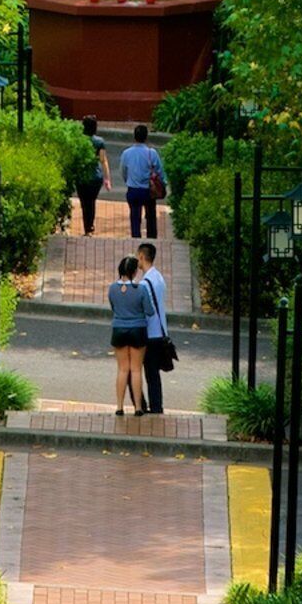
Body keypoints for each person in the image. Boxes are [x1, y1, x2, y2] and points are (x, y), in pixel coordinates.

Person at [107, 255, 159, 416]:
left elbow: (113, 307)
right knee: (136, 370)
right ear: (135, 271)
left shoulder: (112, 288)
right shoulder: (140, 289)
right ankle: (138, 407)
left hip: (119, 329)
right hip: (138, 330)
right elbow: (150, 311)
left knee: (122, 369)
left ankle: (119, 406)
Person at [137, 241, 174, 416]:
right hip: (161, 333)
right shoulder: (158, 277)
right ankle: (157, 406)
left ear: (142, 257)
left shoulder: (144, 284)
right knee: (154, 375)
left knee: (149, 373)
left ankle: (152, 408)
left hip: (150, 334)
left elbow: (146, 310)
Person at [119, 123, 169, 240]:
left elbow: (123, 171)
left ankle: (136, 239)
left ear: (134, 137)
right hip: (148, 190)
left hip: (133, 190)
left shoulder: (126, 153)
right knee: (151, 215)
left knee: (135, 216)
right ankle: (151, 239)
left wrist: (129, 181)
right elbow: (160, 171)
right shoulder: (152, 153)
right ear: (146, 137)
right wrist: (163, 184)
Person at [71, 118, 107, 235]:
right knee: (91, 202)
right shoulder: (99, 141)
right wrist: (107, 178)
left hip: (81, 177)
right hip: (95, 177)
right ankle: (90, 227)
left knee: (84, 203)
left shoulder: (78, 140)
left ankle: (87, 227)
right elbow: (103, 160)